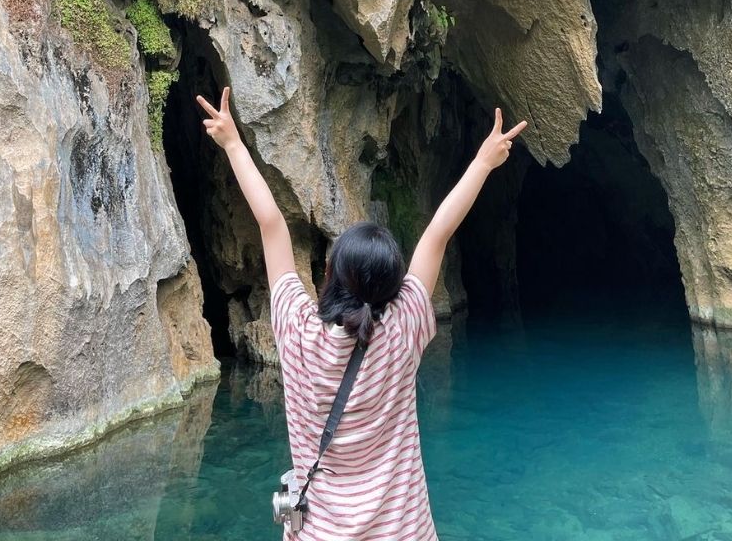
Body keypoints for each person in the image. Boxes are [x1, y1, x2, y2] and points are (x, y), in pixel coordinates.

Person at [196, 87, 527, 541]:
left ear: (328, 274)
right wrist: (483, 163)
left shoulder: (296, 332)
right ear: (395, 289)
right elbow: (438, 234)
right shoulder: (403, 329)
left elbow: (270, 224)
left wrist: (233, 143)